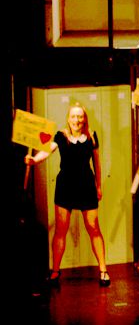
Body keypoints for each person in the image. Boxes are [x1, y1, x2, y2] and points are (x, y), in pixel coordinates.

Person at [25, 103, 111, 286]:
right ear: (68, 118)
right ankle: (56, 271)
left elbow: (97, 163)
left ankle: (103, 270)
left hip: (87, 186)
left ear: (84, 119)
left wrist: (98, 186)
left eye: (80, 117)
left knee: (94, 227)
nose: (77, 120)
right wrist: (34, 160)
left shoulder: (91, 136)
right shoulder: (60, 136)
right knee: (61, 230)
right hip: (65, 186)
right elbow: (48, 150)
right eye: (73, 116)